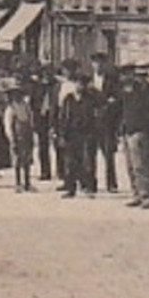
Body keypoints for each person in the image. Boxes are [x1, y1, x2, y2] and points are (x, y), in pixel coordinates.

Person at [120, 63, 149, 209]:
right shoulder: (128, 90)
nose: (140, 79)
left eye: (143, 76)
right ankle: (136, 194)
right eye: (138, 76)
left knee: (141, 165)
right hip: (128, 130)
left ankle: (146, 196)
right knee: (130, 166)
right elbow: (123, 109)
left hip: (142, 130)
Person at [56, 63, 99, 198]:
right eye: (78, 83)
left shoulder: (91, 98)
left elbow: (97, 114)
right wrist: (61, 134)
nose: (80, 86)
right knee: (70, 161)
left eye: (83, 84)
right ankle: (71, 187)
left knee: (88, 161)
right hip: (71, 133)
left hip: (87, 133)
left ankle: (89, 187)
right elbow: (63, 117)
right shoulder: (69, 99)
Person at [88, 52, 123, 193]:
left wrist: (109, 107)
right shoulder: (88, 82)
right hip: (90, 123)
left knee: (108, 154)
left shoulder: (112, 81)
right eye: (96, 63)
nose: (98, 66)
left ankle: (111, 184)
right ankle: (90, 184)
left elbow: (117, 100)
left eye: (101, 63)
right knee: (89, 154)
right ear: (92, 64)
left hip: (107, 122)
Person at [3, 79, 37, 193]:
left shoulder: (26, 106)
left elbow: (30, 120)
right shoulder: (10, 109)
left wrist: (32, 132)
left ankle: (27, 182)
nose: (17, 96)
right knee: (17, 160)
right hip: (17, 136)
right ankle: (18, 183)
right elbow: (8, 125)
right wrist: (12, 139)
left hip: (27, 134)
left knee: (27, 159)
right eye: (15, 93)